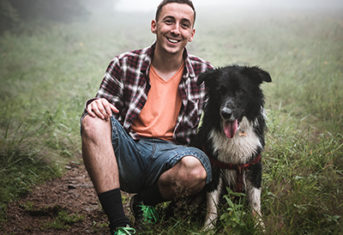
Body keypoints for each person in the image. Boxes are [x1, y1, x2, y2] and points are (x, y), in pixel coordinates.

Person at [80, 0, 213, 234]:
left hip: (172, 156)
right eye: (169, 21)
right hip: (130, 149)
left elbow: (220, 118)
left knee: (196, 169)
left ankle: (146, 201)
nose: (175, 30)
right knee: (92, 118)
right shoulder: (124, 63)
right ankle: (119, 224)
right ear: (154, 25)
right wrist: (97, 103)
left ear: (191, 34)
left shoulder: (205, 73)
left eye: (184, 25)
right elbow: (102, 109)